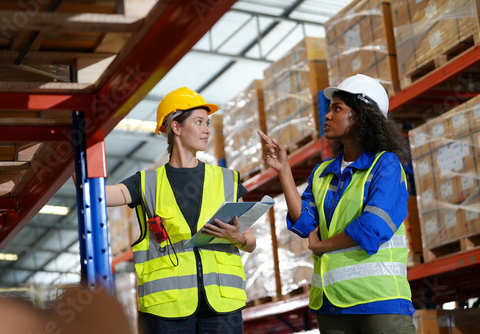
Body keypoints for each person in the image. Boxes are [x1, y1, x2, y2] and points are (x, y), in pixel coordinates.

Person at [258, 74, 416, 334]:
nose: (327, 115)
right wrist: (284, 170)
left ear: (362, 116)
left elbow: (373, 227)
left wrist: (321, 245)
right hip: (330, 306)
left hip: (378, 302)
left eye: (337, 108)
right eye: (330, 109)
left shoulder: (385, 165)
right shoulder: (322, 172)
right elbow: (305, 221)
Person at [105, 87, 257, 334]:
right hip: (166, 312)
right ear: (176, 127)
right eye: (199, 122)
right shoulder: (146, 183)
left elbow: (250, 242)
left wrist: (238, 238)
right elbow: (99, 197)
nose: (207, 129)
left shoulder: (227, 180)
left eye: (207, 122)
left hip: (222, 307)